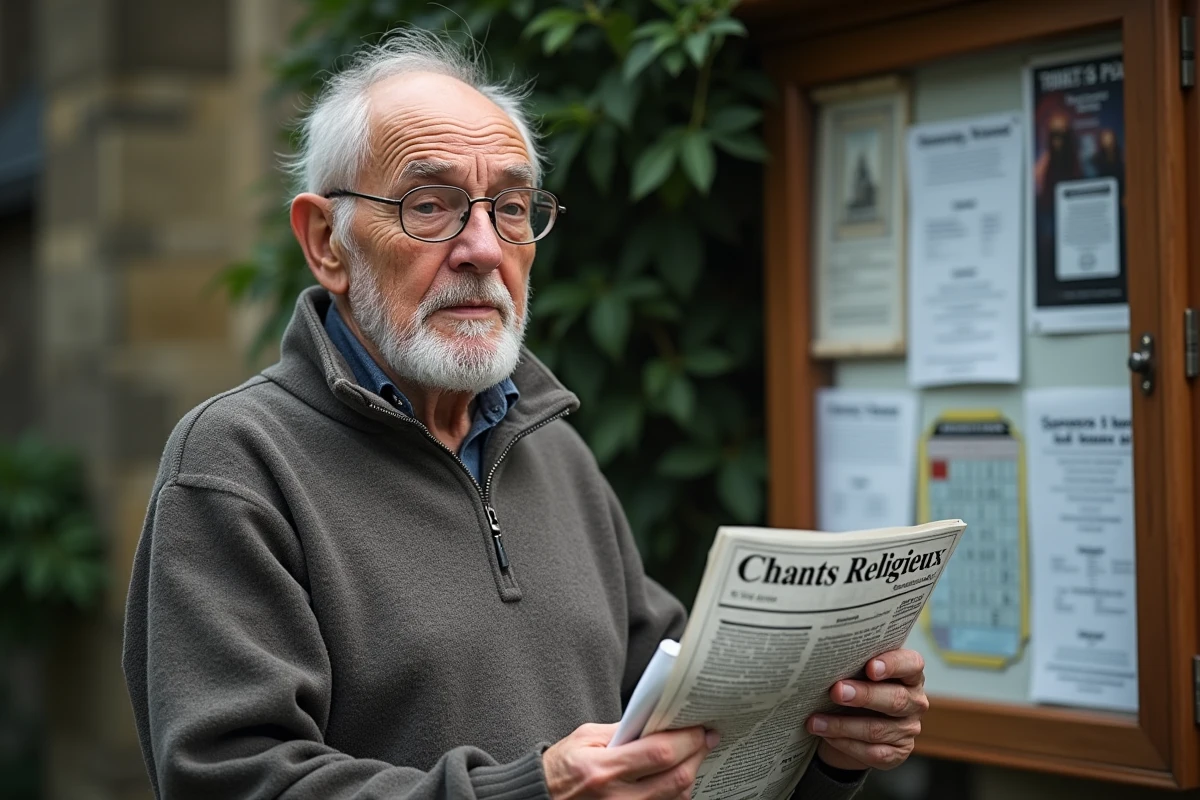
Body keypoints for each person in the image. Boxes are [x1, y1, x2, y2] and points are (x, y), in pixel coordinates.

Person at [122, 30, 928, 800]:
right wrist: (532, 789)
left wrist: (827, 748)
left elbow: (685, 748)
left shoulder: (556, 453)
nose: (483, 248)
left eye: (509, 208)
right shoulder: (236, 462)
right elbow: (229, 781)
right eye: (430, 205)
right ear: (326, 241)